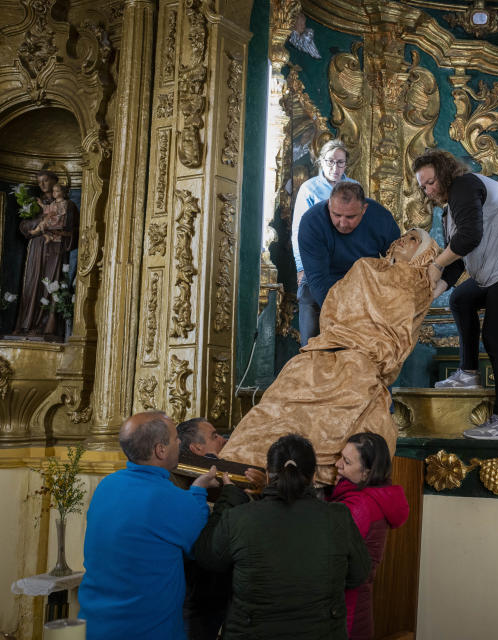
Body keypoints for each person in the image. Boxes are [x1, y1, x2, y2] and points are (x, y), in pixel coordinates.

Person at [219, 229, 439, 483]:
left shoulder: (418, 286)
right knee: (277, 405)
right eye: (404, 235)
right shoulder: (364, 267)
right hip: (326, 349)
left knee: (341, 417)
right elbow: (334, 304)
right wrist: (342, 334)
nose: (403, 239)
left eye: (413, 240)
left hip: (362, 361)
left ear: (424, 254)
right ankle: (238, 462)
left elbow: (401, 334)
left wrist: (369, 350)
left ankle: (298, 477)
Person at [413, 148, 498, 440]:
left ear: (444, 171)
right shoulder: (450, 210)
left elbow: (469, 237)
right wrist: (430, 292)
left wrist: (436, 264)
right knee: (461, 298)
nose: (427, 191)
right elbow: (459, 259)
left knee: (496, 337)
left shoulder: (464, 185)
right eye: (422, 186)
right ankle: (467, 375)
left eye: (430, 182)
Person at [194, 434, 371, 640]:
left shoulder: (239, 518)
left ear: (268, 474)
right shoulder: (337, 517)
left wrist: (230, 497)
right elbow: (359, 573)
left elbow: (207, 558)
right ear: (313, 476)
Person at [78, 411, 219, 640]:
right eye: (175, 439)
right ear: (160, 450)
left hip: (95, 625)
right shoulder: (171, 498)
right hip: (148, 630)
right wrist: (199, 490)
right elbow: (202, 547)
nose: (180, 442)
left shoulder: (107, 485)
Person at [296, 180, 401, 345]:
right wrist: (346, 322)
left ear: (364, 209)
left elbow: (398, 261)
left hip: (363, 285)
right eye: (336, 215)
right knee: (314, 350)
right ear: (329, 205)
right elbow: (318, 280)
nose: (343, 223)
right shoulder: (312, 222)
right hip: (320, 286)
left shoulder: (381, 218)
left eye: (350, 217)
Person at [331, 432, 409, 640]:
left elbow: (327, 553)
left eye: (346, 462)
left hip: (346, 612)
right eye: (340, 456)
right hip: (350, 606)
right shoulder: (363, 497)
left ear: (366, 473)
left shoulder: (359, 506)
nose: (337, 464)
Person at [293, 140, 358, 343]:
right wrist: (301, 266)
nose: (335, 168)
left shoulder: (355, 188)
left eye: (340, 162)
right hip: (316, 264)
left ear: (346, 164)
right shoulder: (309, 188)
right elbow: (298, 231)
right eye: (330, 162)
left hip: (346, 268)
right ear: (321, 162)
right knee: (311, 335)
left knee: (344, 335)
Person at [15, 173, 77, 338]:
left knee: (51, 283)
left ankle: (47, 327)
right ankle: (26, 324)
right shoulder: (34, 203)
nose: (42, 184)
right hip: (36, 249)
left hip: (55, 249)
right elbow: (24, 226)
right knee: (32, 283)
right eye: (39, 182)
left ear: (56, 182)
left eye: (46, 181)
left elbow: (72, 230)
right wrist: (39, 222)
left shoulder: (67, 205)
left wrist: (56, 229)